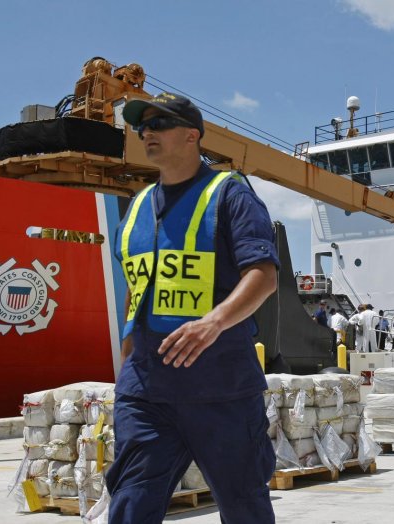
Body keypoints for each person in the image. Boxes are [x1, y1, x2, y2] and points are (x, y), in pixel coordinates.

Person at [110, 93, 277, 523]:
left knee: (244, 505)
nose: (146, 133)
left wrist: (213, 323)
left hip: (219, 384)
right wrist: (128, 346)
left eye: (158, 125)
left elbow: (263, 275)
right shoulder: (135, 208)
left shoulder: (229, 195)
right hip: (147, 387)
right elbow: (137, 281)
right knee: (130, 500)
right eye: (141, 127)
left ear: (191, 136)